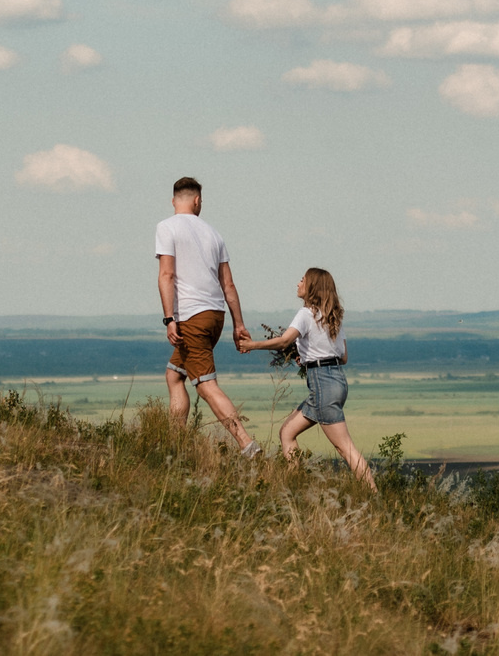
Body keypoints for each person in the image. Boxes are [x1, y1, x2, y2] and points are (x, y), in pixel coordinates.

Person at [238, 266, 373, 487]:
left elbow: (284, 341)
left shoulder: (305, 314)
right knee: (287, 432)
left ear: (311, 287)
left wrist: (252, 345)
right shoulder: (332, 319)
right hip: (337, 380)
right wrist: (308, 357)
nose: (298, 284)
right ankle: (294, 483)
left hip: (322, 384)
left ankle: (373, 494)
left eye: (302, 280)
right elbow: (344, 357)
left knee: (345, 447)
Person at [153, 175, 259, 455]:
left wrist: (169, 318)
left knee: (205, 384)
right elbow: (229, 285)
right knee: (174, 375)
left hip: (190, 316)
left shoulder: (166, 227)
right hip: (216, 316)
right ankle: (177, 442)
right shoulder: (214, 234)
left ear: (174, 201)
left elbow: (166, 274)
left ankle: (247, 444)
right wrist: (239, 325)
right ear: (197, 201)